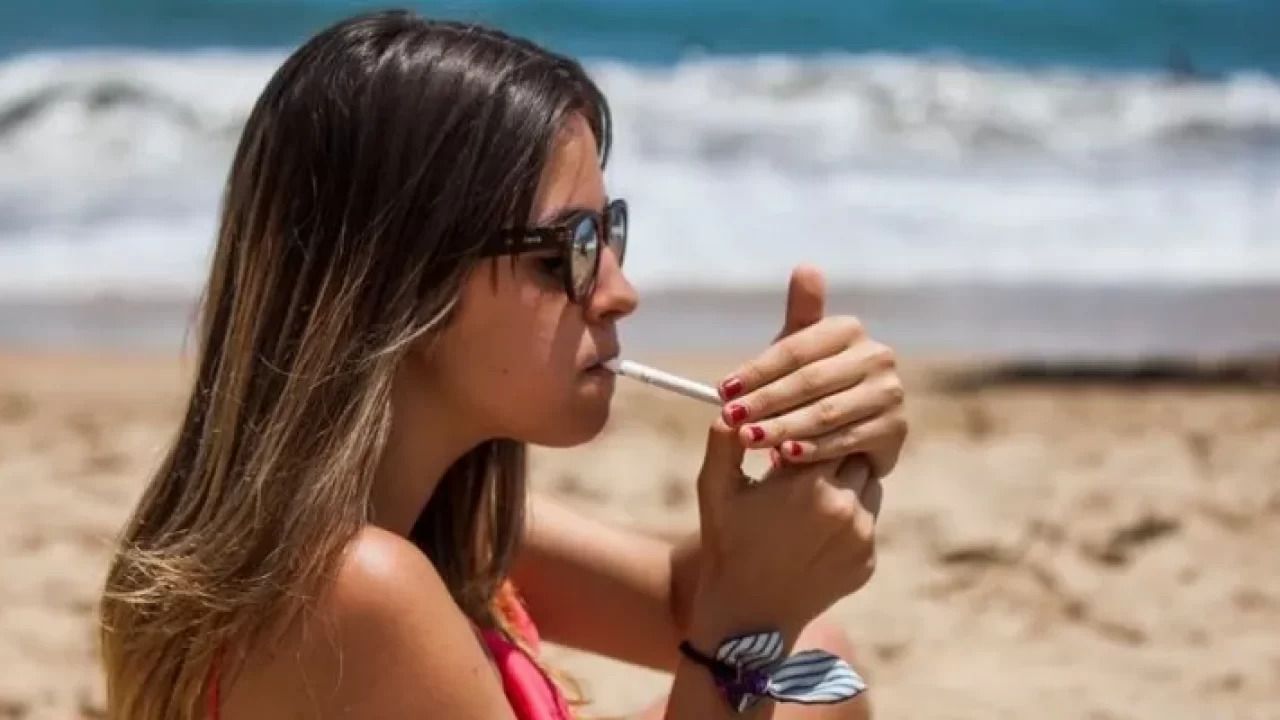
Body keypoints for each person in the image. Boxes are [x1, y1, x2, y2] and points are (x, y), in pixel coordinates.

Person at [98, 10, 908, 720]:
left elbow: (673, 598)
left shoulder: (426, 513)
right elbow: (720, 616)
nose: (620, 292)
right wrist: (749, 619)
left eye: (609, 232)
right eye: (571, 249)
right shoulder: (352, 588)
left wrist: (810, 470)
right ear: (400, 286)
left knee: (816, 670)